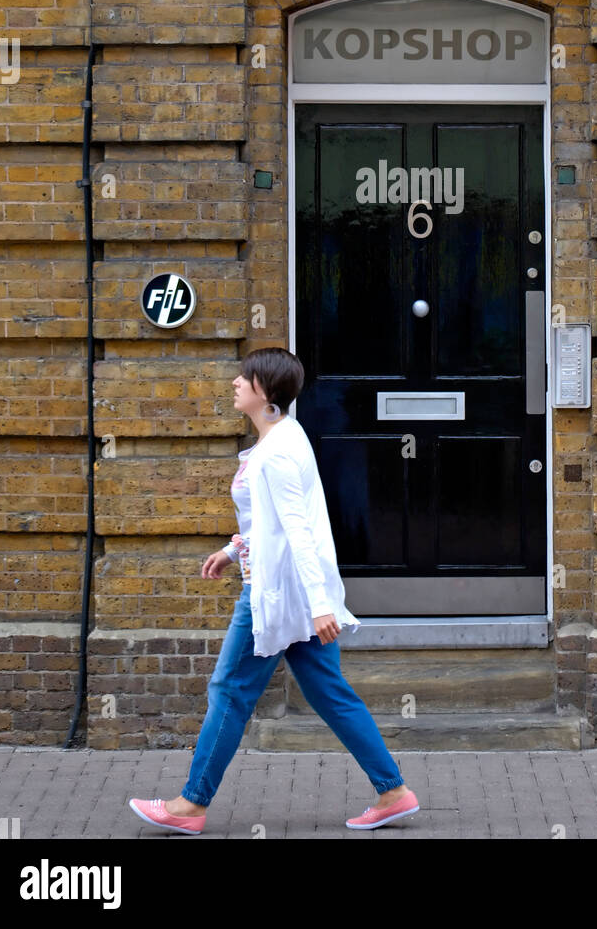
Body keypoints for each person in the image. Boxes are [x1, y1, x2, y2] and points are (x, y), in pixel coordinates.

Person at [129, 346, 419, 834]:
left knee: (230, 690)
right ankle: (393, 792)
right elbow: (268, 521)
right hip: (291, 593)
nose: (235, 383)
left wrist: (321, 605)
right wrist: (233, 548)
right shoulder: (279, 437)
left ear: (265, 392)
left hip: (275, 595)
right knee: (329, 692)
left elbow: (298, 531)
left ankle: (190, 805)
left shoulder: (278, 451)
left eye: (245, 378)